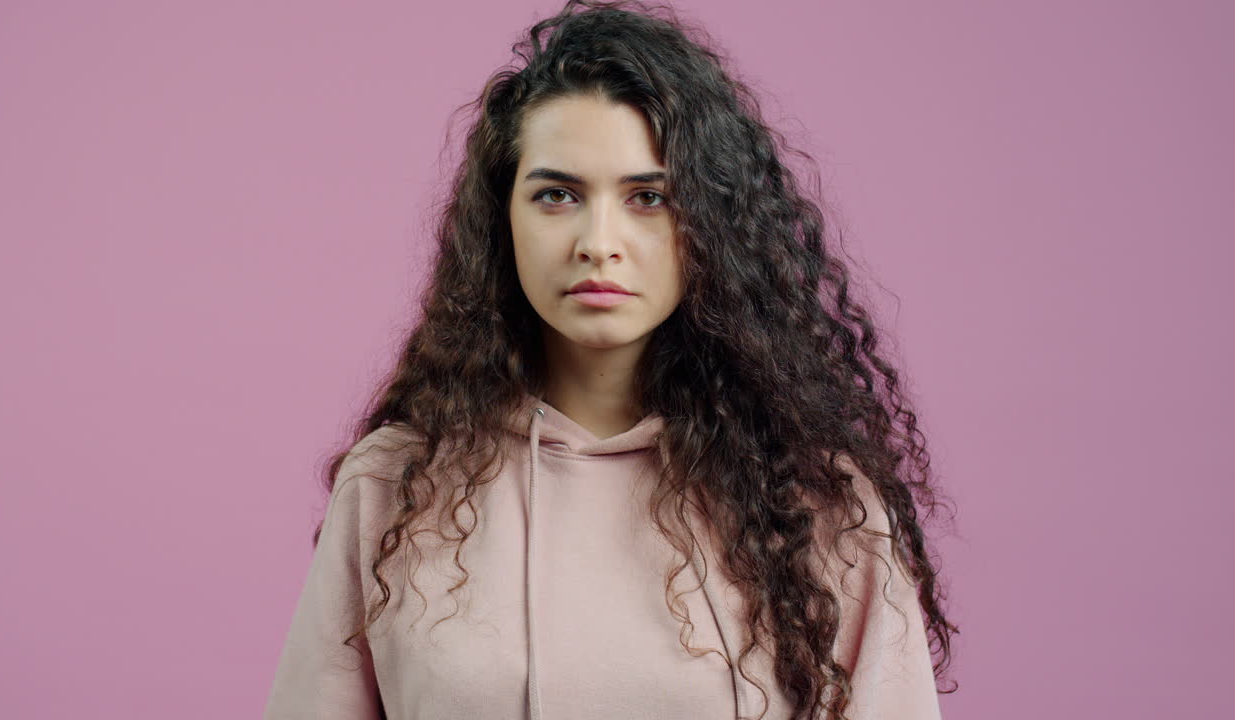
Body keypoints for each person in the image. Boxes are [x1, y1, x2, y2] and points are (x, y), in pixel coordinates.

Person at [263, 1, 958, 718]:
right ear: (505, 220)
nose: (600, 241)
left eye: (648, 197)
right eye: (558, 195)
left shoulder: (820, 507)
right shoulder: (394, 488)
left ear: (711, 225)